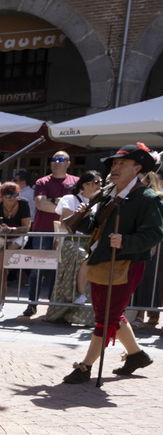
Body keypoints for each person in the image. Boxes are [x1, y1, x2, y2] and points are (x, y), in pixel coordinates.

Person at [62, 144, 163, 383]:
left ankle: (85, 367)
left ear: (137, 168)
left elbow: (155, 234)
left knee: (105, 317)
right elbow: (96, 229)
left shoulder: (147, 197)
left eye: (122, 164)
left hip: (125, 263)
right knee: (110, 314)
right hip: (102, 260)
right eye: (114, 164)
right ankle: (136, 355)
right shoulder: (109, 194)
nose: (115, 168)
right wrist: (84, 218)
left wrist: (125, 241)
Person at [22, 152, 79, 317]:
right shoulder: (42, 181)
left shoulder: (75, 182)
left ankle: (53, 305)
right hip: (43, 231)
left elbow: (77, 205)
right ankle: (32, 303)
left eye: (61, 159)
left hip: (65, 232)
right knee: (37, 269)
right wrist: (64, 204)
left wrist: (53, 200)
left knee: (59, 270)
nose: (56, 162)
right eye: (53, 159)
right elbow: (41, 204)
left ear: (68, 163)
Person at [43, 170, 101, 326]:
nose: (100, 185)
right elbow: (66, 224)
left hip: (89, 241)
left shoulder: (100, 202)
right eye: (96, 182)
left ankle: (84, 315)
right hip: (70, 241)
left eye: (100, 182)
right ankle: (81, 294)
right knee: (84, 257)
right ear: (85, 184)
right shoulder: (70, 198)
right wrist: (81, 213)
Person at [0, 181, 32, 320]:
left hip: (17, 238)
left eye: (15, 194)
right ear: (2, 196)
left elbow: (26, 227)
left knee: (2, 260)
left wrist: (10, 230)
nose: (12, 197)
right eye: (8, 195)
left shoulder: (23, 203)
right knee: (1, 264)